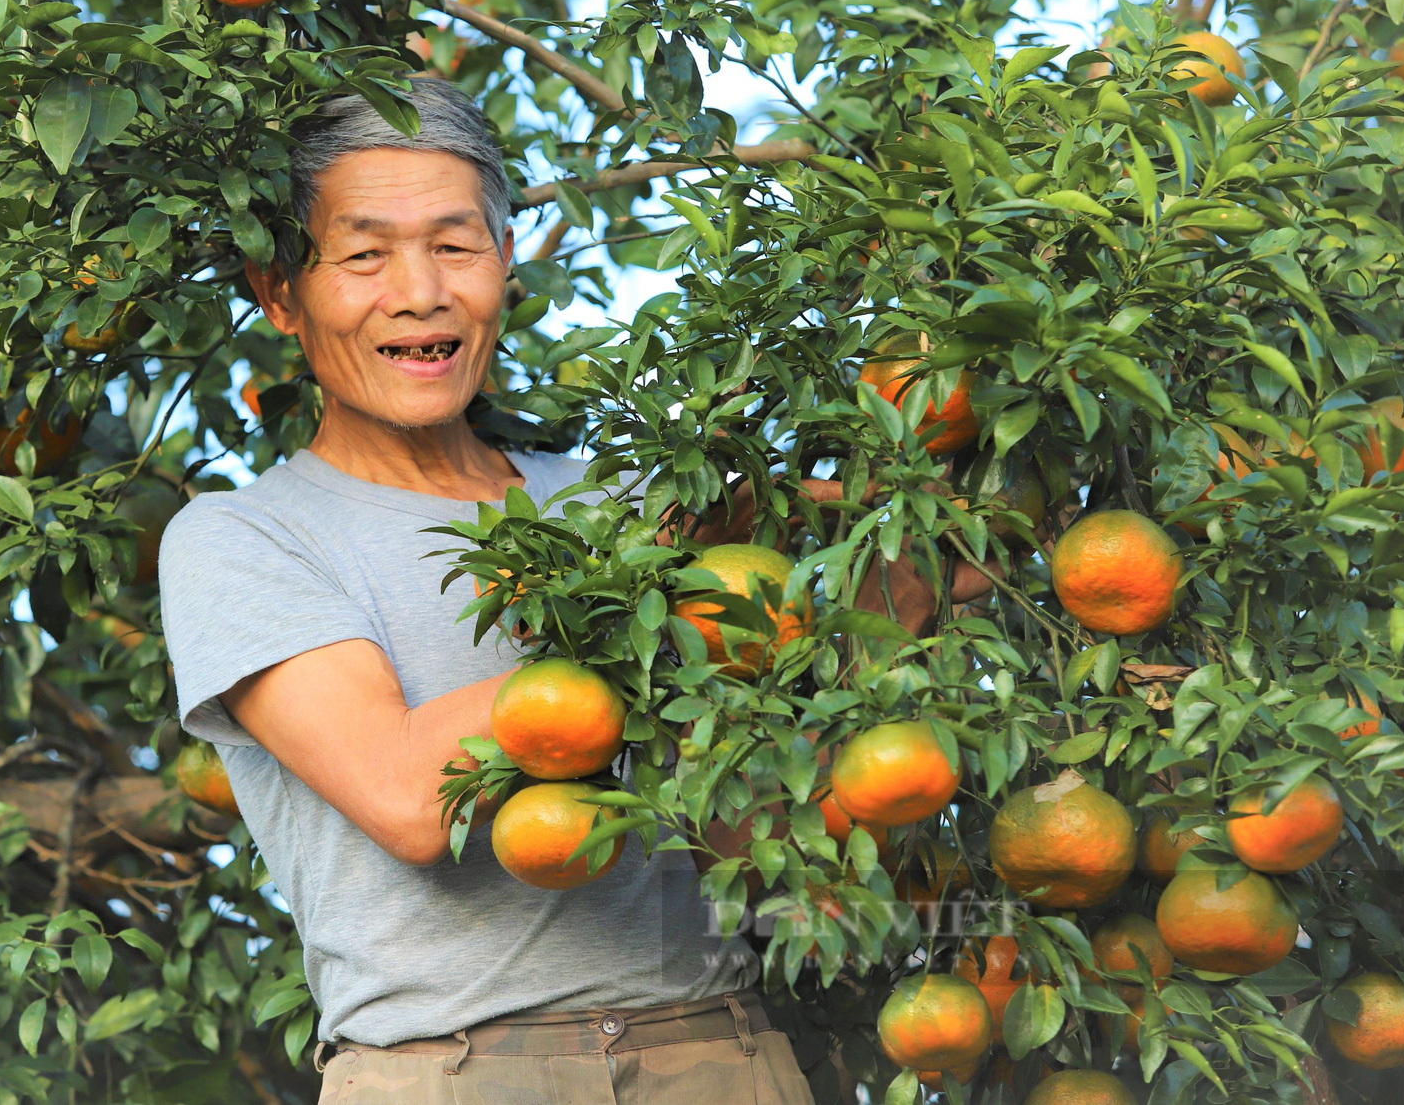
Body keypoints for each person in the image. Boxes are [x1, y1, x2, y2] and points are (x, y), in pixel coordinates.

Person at [159, 79, 968, 1103]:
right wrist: (655, 584)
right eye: (364, 254)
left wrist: (904, 570)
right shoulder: (243, 538)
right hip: (447, 1070)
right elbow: (411, 798)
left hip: (718, 1050)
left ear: (504, 259)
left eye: (455, 245)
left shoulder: (627, 496)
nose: (419, 291)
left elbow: (742, 832)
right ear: (279, 292)